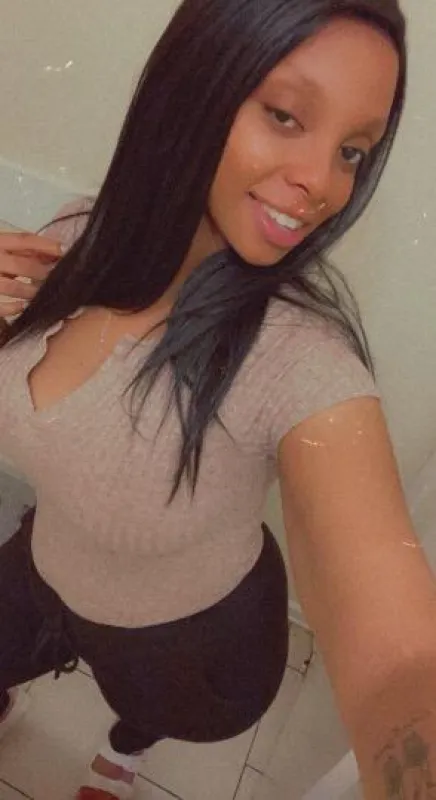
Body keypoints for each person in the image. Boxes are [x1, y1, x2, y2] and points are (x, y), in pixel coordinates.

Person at [1, 1, 435, 798]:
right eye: (285, 115)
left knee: (145, 709)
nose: (323, 184)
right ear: (191, 85)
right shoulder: (75, 235)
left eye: (352, 151)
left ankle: (124, 753)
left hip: (189, 641)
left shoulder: (303, 361)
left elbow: (398, 650)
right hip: (42, 564)